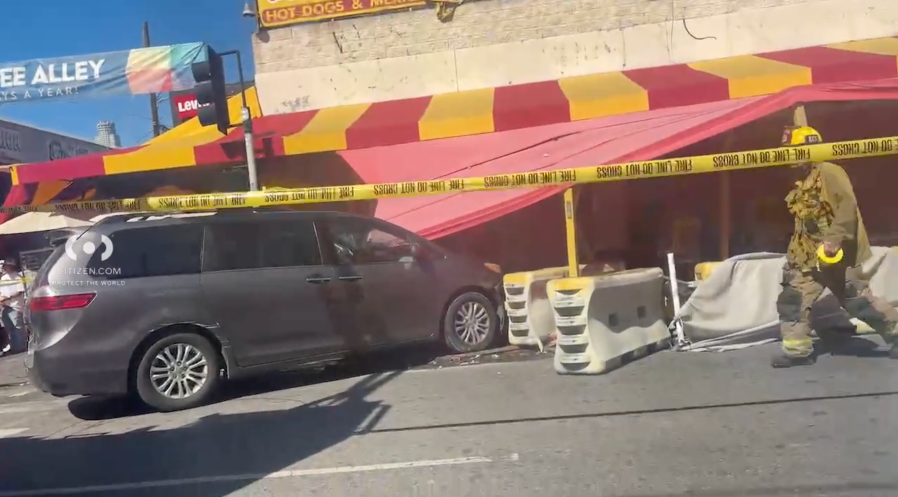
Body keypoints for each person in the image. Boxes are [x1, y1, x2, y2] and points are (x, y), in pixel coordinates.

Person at [773, 126, 898, 368]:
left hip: (836, 253)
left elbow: (847, 207)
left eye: (792, 150)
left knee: (857, 300)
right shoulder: (799, 177)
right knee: (793, 298)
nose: (787, 155)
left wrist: (833, 239)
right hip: (807, 255)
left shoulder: (830, 171)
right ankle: (796, 350)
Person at [0, 259, 26, 355]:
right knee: (9, 327)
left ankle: (21, 346)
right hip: (5, 306)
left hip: (15, 305)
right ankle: (14, 346)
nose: (6, 268)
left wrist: (7, 297)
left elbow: (20, 291)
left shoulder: (17, 277)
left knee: (17, 326)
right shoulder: (3, 278)